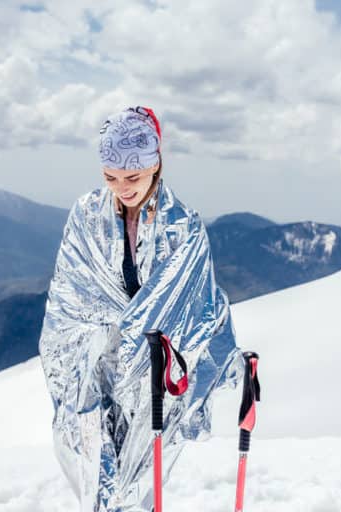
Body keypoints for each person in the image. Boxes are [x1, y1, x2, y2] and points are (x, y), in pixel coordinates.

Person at [38, 106, 244, 512]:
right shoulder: (85, 216)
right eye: (110, 177)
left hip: (154, 380)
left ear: (155, 164)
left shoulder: (185, 229)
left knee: (140, 485)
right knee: (95, 474)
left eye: (131, 177)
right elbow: (68, 300)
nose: (121, 187)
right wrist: (101, 340)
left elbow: (196, 311)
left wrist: (137, 341)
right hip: (93, 368)